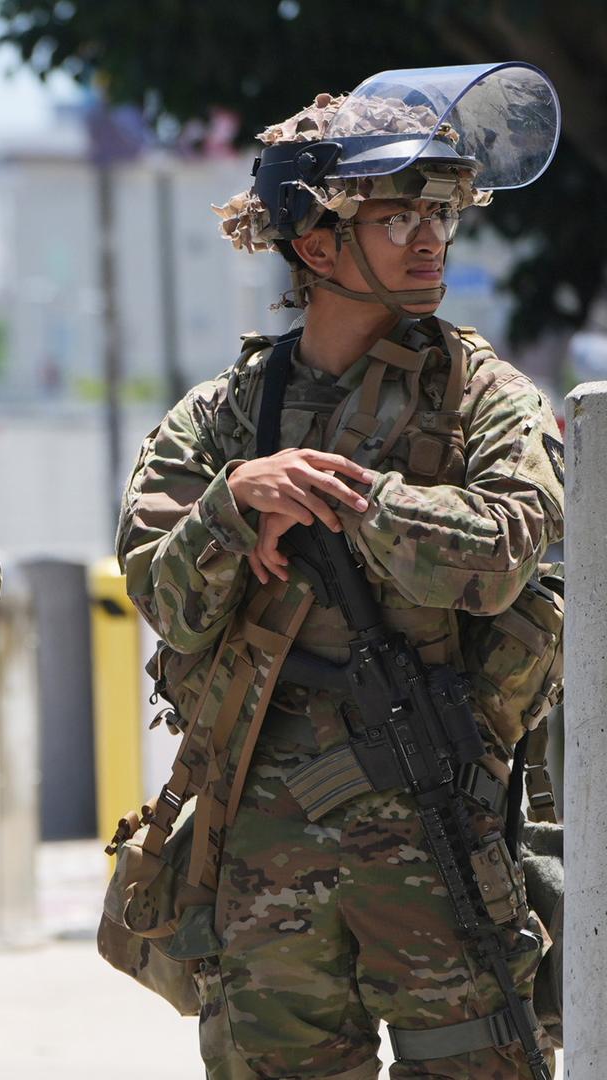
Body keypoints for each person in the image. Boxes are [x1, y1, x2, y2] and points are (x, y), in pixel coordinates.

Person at [118, 67, 566, 1078]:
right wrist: (237, 504)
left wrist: (349, 496)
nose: (430, 239)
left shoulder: (482, 395)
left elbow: (505, 549)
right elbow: (164, 599)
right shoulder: (223, 420)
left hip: (438, 833)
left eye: (439, 214)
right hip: (261, 855)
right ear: (316, 244)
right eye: (398, 214)